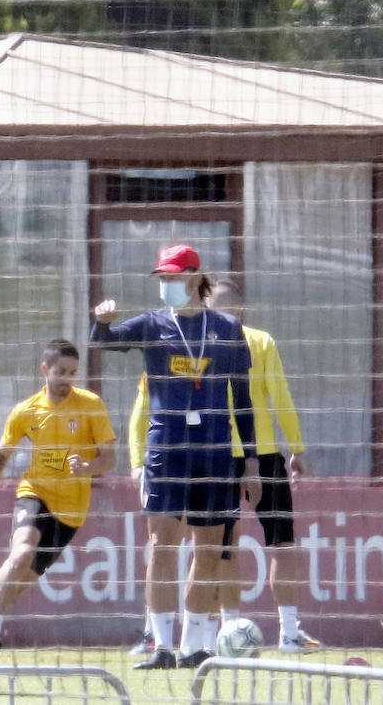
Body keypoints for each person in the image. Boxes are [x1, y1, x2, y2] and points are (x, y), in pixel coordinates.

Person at [128, 278, 320, 656]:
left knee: (215, 549)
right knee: (277, 544)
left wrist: (137, 460)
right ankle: (287, 632)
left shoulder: (180, 338)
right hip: (257, 456)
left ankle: (221, 630)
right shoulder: (257, 341)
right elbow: (279, 395)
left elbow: (143, 407)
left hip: (212, 454)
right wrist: (296, 447)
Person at [92, 244, 261, 670]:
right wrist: (100, 323)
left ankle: (194, 647)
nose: (165, 284)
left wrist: (253, 461)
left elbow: (242, 400)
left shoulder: (226, 328)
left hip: (216, 453)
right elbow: (105, 344)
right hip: (166, 450)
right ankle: (162, 646)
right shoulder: (152, 323)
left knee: (208, 552)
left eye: (172, 276)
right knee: (161, 545)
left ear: (194, 276)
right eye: (161, 278)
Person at [0, 338, 117, 657]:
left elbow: (109, 457)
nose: (66, 379)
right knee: (21, 553)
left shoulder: (90, 404)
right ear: (45, 370)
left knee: (20, 584)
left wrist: (87, 468)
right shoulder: (26, 410)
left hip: (72, 511)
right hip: (34, 492)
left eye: (72, 373)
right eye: (60, 371)